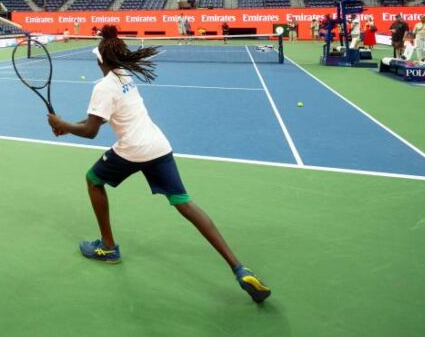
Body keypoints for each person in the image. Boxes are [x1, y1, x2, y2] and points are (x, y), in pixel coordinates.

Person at [45, 26, 271, 303]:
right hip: (158, 145)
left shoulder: (103, 86)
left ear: (101, 60)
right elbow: (98, 120)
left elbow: (92, 131)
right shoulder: (124, 75)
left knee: (93, 179)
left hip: (133, 149)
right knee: (184, 203)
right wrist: (67, 127)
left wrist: (61, 124)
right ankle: (239, 268)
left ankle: (108, 247)